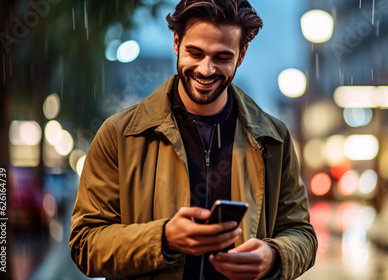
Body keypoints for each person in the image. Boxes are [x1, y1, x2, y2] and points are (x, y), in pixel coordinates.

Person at [69, 0, 317, 279]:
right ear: (176, 42)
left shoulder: (274, 139)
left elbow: (302, 233)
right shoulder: (119, 134)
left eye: (222, 57)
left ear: (242, 53)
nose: (206, 70)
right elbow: (85, 244)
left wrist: (274, 256)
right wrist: (163, 238)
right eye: (195, 53)